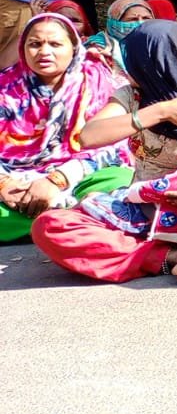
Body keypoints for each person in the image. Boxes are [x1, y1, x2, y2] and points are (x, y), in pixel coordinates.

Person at [31, 21, 177, 284]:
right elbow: (89, 136)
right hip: (145, 211)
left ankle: (169, 249)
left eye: (133, 60)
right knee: (49, 227)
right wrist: (160, 111)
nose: (128, 68)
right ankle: (172, 256)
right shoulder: (133, 96)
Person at [0, 13, 132, 242]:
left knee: (121, 180)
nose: (44, 52)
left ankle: (46, 221)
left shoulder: (99, 82)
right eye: (35, 44)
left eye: (55, 44)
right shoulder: (6, 88)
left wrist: (57, 180)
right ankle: (76, 219)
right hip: (17, 181)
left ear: (74, 47)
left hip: (80, 175)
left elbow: (113, 145)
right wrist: (4, 184)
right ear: (23, 48)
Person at [84, 0, 155, 77]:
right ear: (113, 23)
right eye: (133, 19)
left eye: (146, 18)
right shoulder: (98, 48)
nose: (140, 23)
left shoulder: (157, 44)